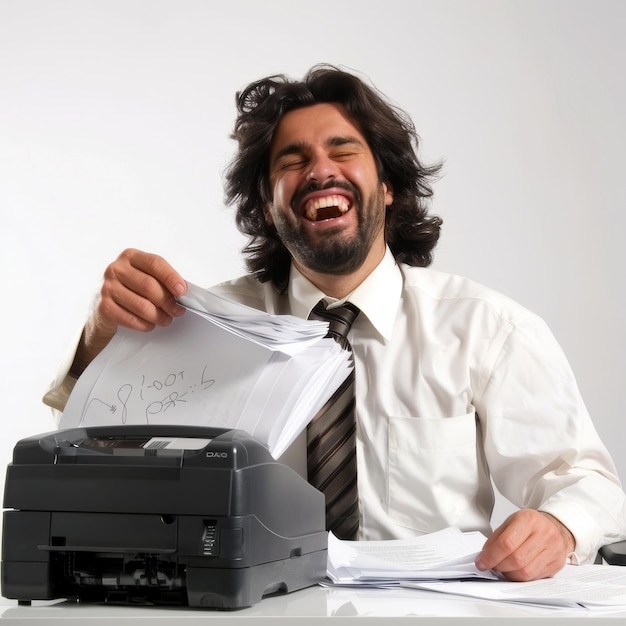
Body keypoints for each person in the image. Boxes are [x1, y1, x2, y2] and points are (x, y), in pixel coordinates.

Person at [44, 64, 626, 582]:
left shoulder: (488, 330)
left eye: (343, 150)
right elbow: (91, 446)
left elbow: (586, 481)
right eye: (292, 160)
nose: (320, 170)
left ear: (389, 186)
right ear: (268, 207)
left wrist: (560, 528)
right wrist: (102, 332)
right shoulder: (207, 328)